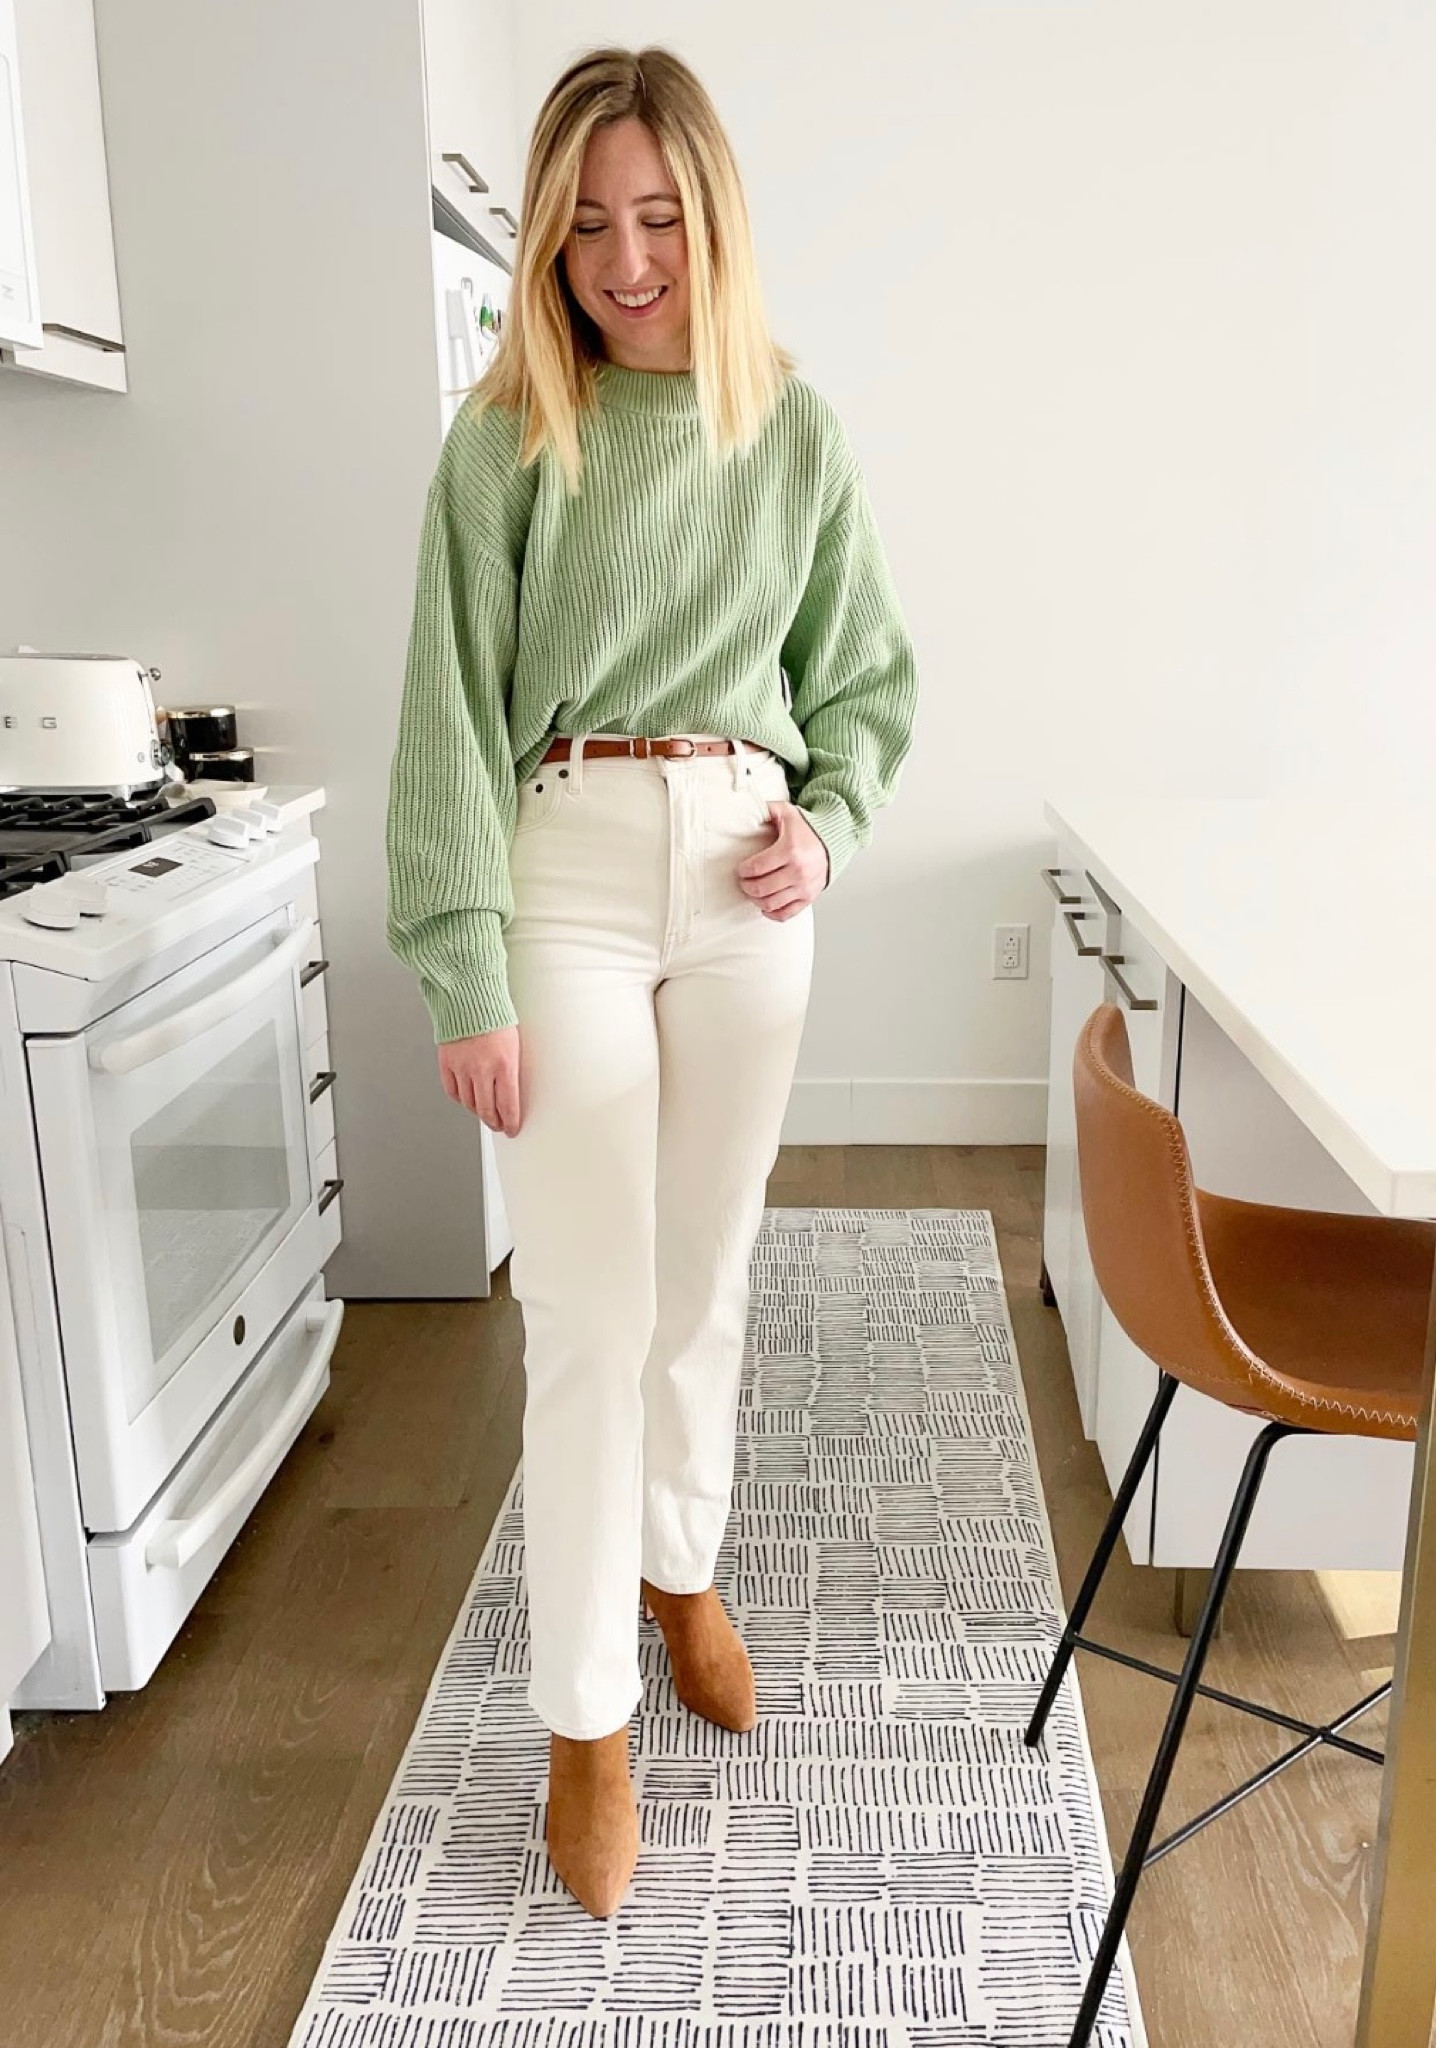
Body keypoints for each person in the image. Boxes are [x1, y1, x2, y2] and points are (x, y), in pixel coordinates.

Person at [384, 44, 919, 1919]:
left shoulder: (795, 432)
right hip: (570, 866)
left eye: (660, 219)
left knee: (705, 1280)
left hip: (747, 878)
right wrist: (463, 965)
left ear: (714, 222)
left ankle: (682, 1572)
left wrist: (828, 822)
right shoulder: (507, 436)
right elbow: (447, 709)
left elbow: (862, 680)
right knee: (591, 1315)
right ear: (547, 239)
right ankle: (582, 1717)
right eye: (591, 224)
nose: (626, 260)